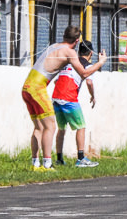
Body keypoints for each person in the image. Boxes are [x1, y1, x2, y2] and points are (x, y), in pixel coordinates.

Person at [21, 26, 107, 171]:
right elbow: (84, 74)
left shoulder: (54, 46)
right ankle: (47, 164)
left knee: (39, 127)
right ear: (77, 40)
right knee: (50, 126)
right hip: (37, 88)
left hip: (27, 87)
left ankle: (35, 164)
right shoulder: (70, 52)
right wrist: (100, 63)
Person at [54, 40, 99, 168]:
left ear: (79, 51)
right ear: (91, 53)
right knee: (81, 127)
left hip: (56, 97)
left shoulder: (70, 62)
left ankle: (59, 159)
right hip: (69, 98)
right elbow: (89, 82)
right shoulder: (87, 65)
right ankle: (80, 159)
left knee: (61, 128)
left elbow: (57, 80)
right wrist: (93, 96)